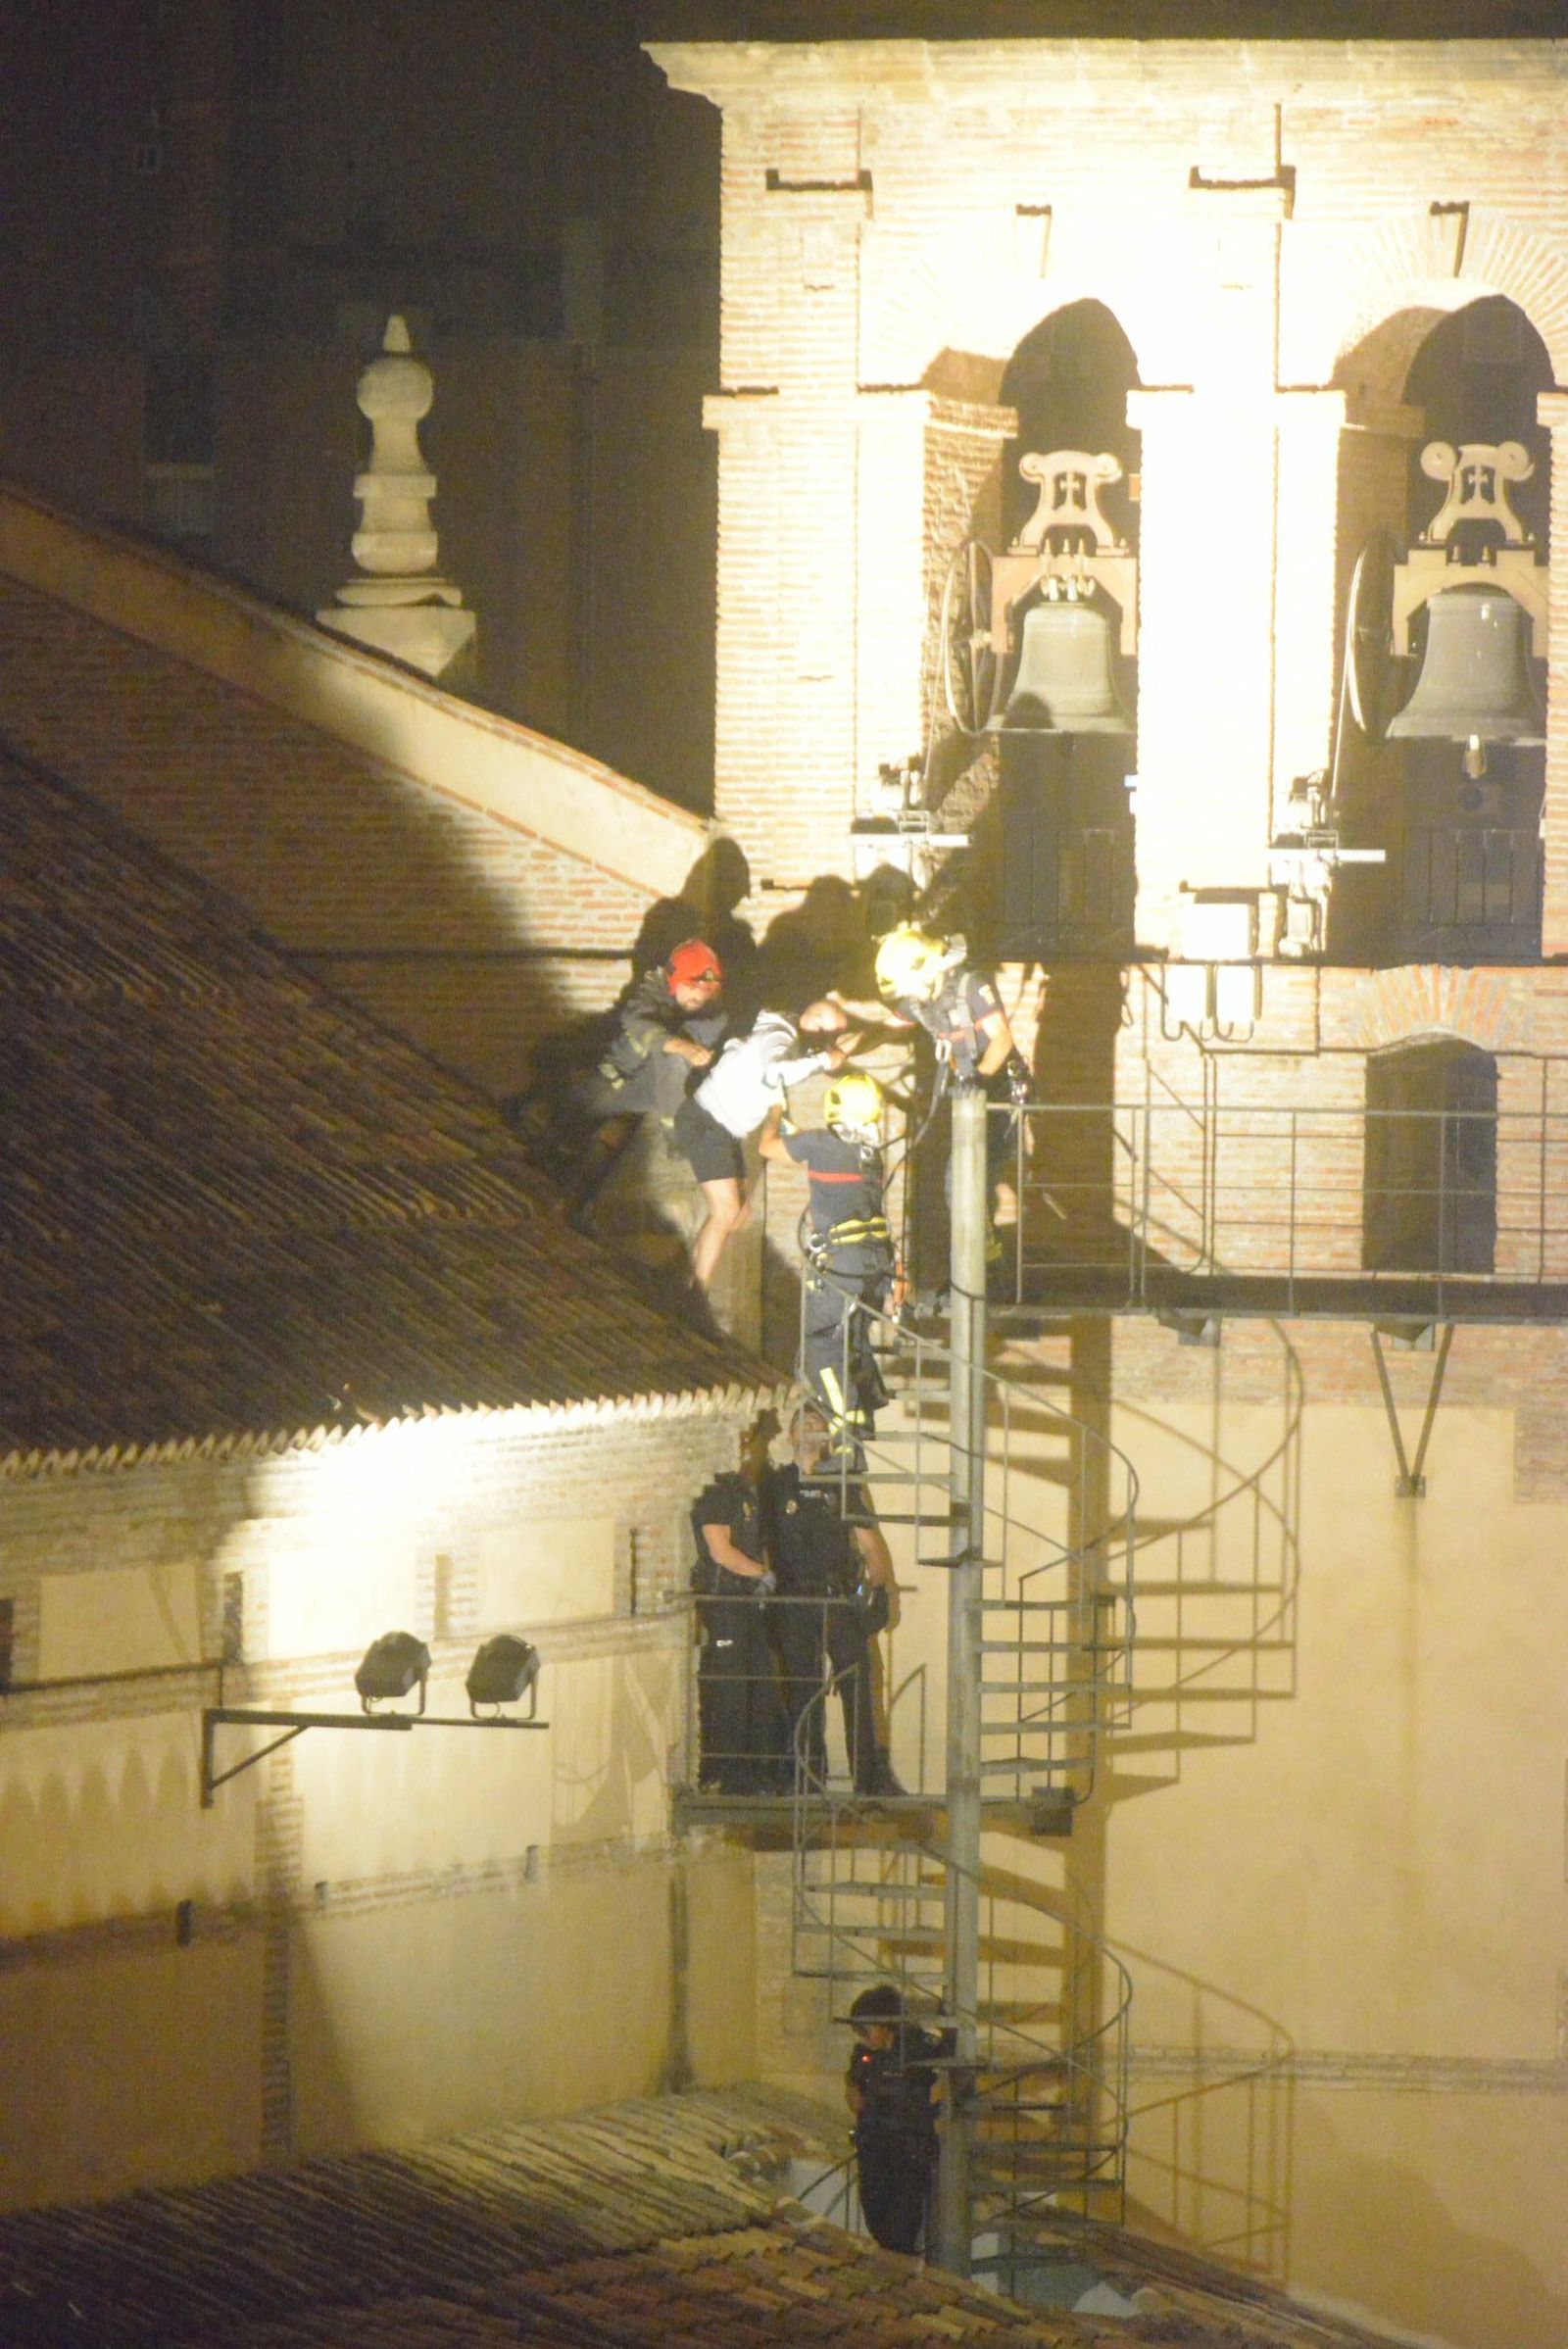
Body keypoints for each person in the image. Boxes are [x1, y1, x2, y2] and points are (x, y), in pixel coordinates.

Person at [838, 925, 1031, 1248]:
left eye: (907, 988)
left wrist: (977, 1077)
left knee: (963, 1179)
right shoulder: (920, 1000)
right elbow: (884, 1030)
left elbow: (1001, 1038)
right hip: (970, 1096)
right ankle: (985, 1263)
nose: (907, 998)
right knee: (963, 1184)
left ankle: (985, 1269)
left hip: (1000, 1095)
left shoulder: (971, 985)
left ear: (925, 971)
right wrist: (843, 1048)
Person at [671, 1000, 859, 1299]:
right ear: (817, 1023)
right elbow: (774, 1073)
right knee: (726, 1210)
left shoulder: (790, 1039)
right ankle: (694, 1298)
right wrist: (825, 1060)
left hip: (725, 1130)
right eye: (830, 1035)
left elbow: (774, 1080)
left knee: (738, 1214)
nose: (830, 1043)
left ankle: (687, 1275)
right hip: (706, 1121)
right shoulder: (778, 1034)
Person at [766, 1406, 902, 1797]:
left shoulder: (842, 1483)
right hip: (794, 1602)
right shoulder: (777, 1485)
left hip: (837, 1599)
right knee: (801, 1691)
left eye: (818, 1423)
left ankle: (870, 1779)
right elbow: (763, 1546)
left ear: (827, 1437)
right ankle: (806, 1779)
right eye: (803, 1423)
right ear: (791, 1434)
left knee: (857, 1684)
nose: (811, 1427)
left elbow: (870, 1544)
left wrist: (882, 1590)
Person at [757, 1072, 900, 1442]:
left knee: (819, 1345)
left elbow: (768, 1147)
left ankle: (845, 1422)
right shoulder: (871, 1154)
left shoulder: (819, 1143)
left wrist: (775, 1111)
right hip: (875, 1263)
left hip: (844, 1263)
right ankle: (864, 1405)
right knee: (850, 1337)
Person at [534, 939, 727, 1210]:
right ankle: (549, 1172)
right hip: (617, 1082)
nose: (699, 996)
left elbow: (681, 1053)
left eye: (706, 990)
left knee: (671, 1062)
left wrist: (681, 1048)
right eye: (692, 987)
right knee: (570, 1114)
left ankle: (674, 1136)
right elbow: (639, 1022)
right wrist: (678, 1044)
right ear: (675, 980)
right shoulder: (651, 990)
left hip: (653, 1094)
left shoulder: (713, 1015)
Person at [690, 1417, 785, 1794]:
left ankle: (759, 1770)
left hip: (745, 1604)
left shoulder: (748, 1493)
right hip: (725, 1603)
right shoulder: (716, 1493)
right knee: (729, 1688)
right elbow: (721, 1551)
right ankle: (729, 1772)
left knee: (759, 1682)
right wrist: (762, 1574)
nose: (758, 1453)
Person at [845, 1983, 944, 2256]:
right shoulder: (865, 2058)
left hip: (908, 2152)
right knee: (877, 2220)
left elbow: (948, 2061)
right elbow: (854, 2092)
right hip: (875, 2148)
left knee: (902, 2229)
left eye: (868, 2028)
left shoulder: (916, 2048)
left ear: (886, 2024)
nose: (864, 2036)